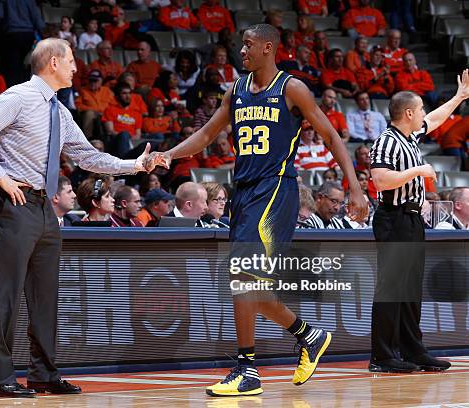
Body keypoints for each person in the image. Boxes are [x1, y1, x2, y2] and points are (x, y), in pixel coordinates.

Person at [146, 23, 367, 397]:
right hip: (245, 193)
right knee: (245, 284)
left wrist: (355, 186)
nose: (242, 51)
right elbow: (205, 136)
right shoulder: (237, 90)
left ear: (268, 47)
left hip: (276, 190)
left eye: (247, 45)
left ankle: (247, 369)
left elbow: (331, 136)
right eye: (241, 46)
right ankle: (308, 335)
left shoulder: (292, 88)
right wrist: (169, 153)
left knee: (243, 277)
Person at [0, 38, 152, 399]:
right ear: (52, 62)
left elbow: (86, 156)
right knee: (7, 296)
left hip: (44, 208)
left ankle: (44, 374)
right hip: (14, 202)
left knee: (46, 297)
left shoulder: (59, 110)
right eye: (71, 61)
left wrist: (134, 166)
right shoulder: (19, 97)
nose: (76, 67)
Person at [368, 76, 469, 373]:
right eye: (421, 109)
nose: (425, 113)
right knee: (391, 288)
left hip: (411, 219)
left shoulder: (410, 137)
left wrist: (460, 97)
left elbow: (436, 119)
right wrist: (418, 170)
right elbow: (380, 180)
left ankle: (412, 350)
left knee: (410, 289)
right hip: (393, 218)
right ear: (409, 113)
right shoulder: (385, 141)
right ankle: (382, 356)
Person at [0, 0, 45, 87]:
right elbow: (37, 19)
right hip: (27, 36)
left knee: (12, 68)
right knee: (25, 67)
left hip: (10, 35)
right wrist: (44, 36)